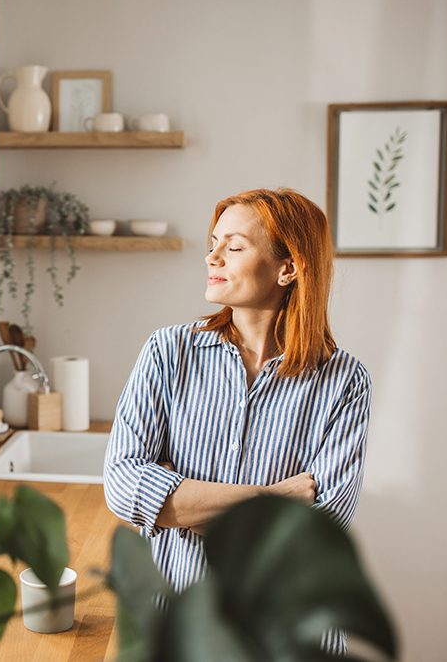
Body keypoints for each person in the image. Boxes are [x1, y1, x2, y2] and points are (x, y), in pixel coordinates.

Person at [103, 188, 372, 657]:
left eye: (235, 246)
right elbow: (125, 487)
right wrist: (274, 497)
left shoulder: (344, 381)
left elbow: (317, 529)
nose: (212, 257)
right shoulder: (168, 353)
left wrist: (183, 503)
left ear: (288, 268)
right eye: (214, 243)